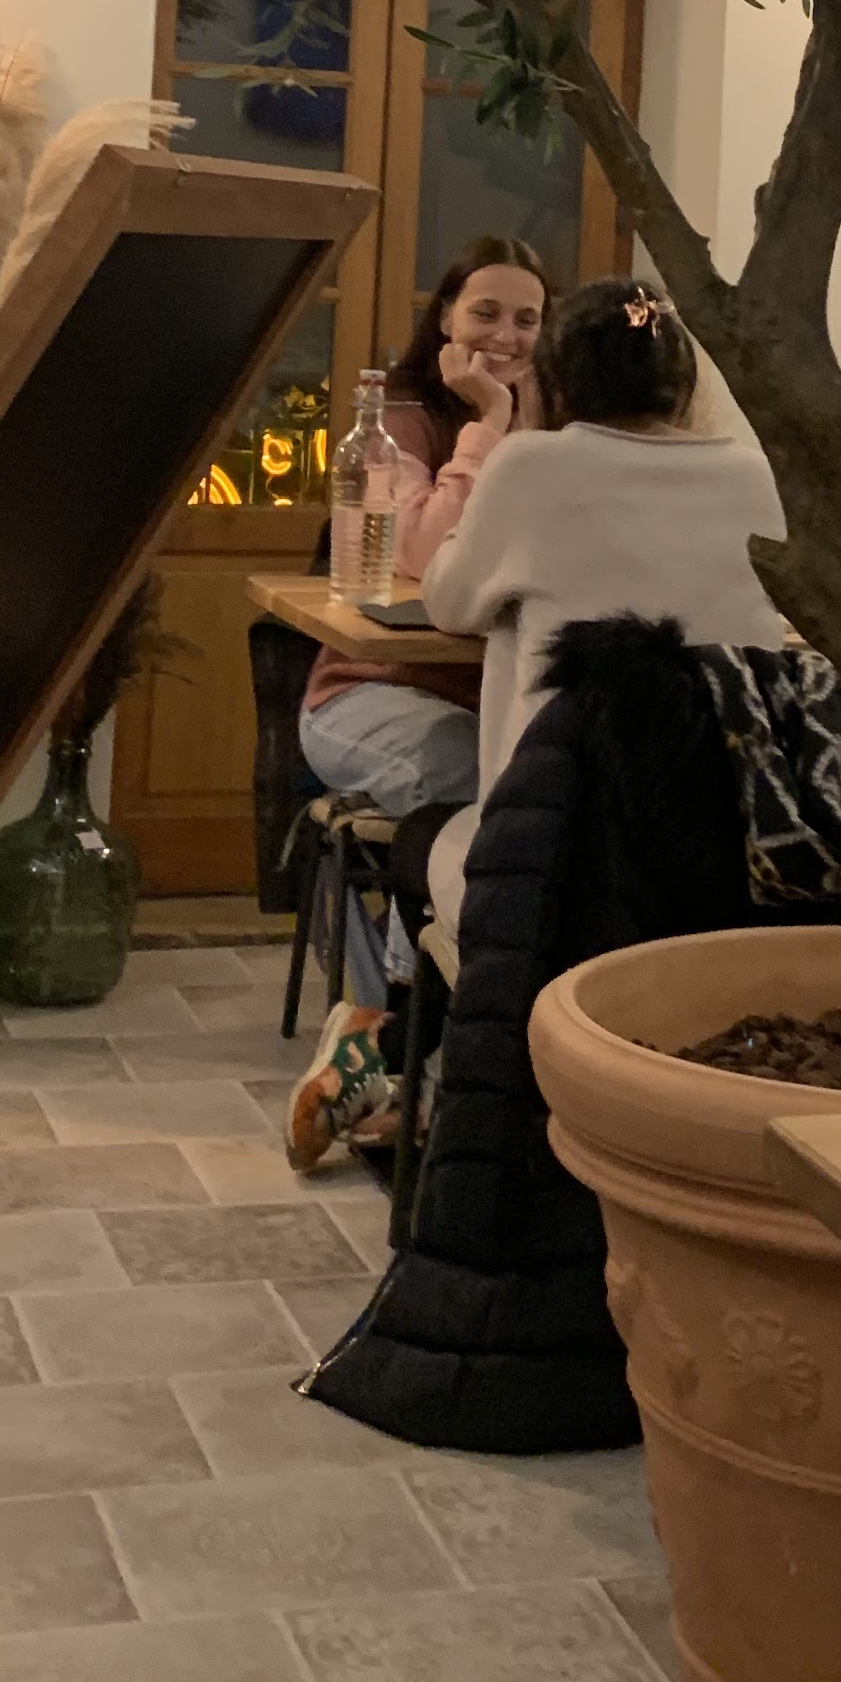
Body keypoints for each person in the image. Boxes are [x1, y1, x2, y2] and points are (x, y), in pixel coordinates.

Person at [284, 237, 550, 1164]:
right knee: (476, 792)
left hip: (495, 699)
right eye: (486, 312)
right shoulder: (397, 424)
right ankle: (403, 1040)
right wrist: (486, 425)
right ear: (445, 318)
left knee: (544, 797)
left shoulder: (557, 430)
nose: (506, 335)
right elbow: (423, 555)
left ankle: (390, 1039)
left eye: (527, 318)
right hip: (367, 697)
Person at [417, 274, 786, 940]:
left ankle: (425, 996)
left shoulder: (530, 465)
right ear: (683, 381)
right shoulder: (755, 475)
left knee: (420, 844)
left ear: (555, 378)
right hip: (727, 845)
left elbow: (449, 602)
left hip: (560, 844)